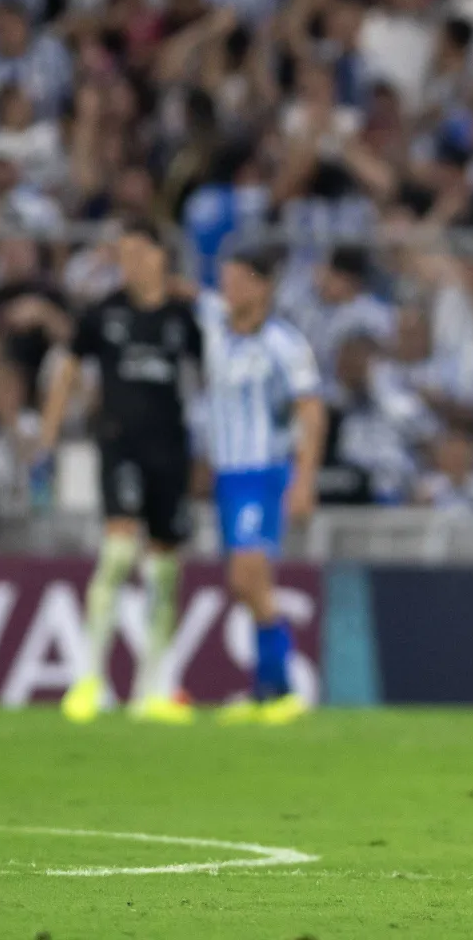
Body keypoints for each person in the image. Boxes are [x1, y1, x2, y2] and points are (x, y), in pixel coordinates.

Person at [39, 219, 202, 725]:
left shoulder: (183, 317)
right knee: (116, 552)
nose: (126, 263)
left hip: (170, 452)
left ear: (159, 257)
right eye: (121, 254)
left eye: (136, 253)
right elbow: (69, 367)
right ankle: (88, 680)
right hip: (119, 446)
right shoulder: (104, 313)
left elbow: (208, 380)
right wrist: (49, 428)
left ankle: (152, 687)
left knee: (163, 568)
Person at [199, 247, 325, 725]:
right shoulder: (214, 327)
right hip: (226, 476)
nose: (226, 289)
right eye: (223, 279)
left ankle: (286, 689)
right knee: (246, 582)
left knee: (248, 576)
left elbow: (311, 411)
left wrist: (304, 478)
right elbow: (185, 293)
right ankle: (265, 693)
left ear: (261, 286)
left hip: (263, 472)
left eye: (236, 280)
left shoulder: (284, 344)